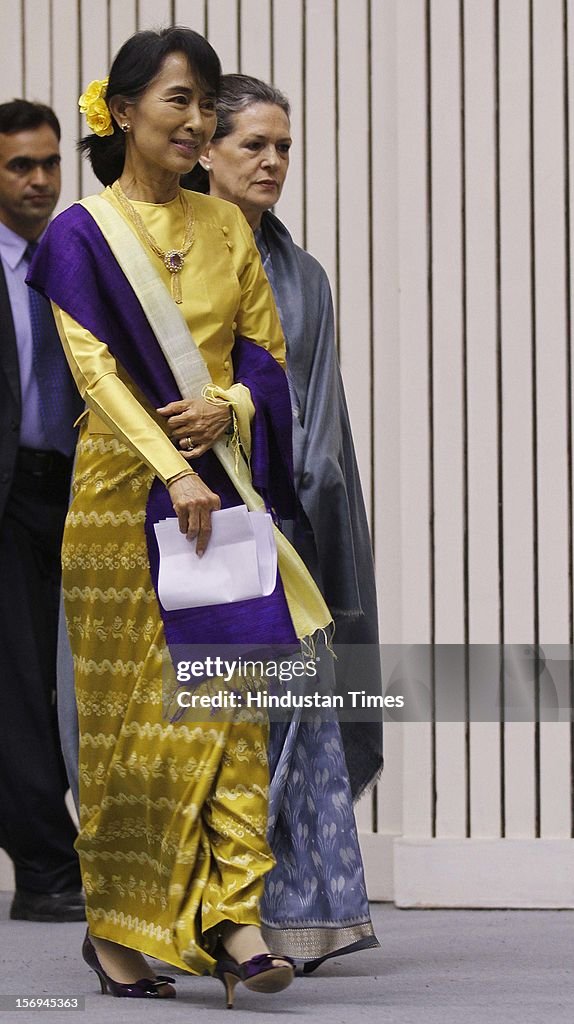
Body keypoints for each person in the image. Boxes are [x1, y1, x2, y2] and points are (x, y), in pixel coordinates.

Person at [27, 27, 334, 1005]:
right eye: (176, 100)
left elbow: (263, 361)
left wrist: (227, 412)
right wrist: (174, 466)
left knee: (231, 709)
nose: (197, 119)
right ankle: (119, 930)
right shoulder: (80, 232)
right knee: (135, 728)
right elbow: (95, 373)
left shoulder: (227, 227)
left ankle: (235, 920)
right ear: (122, 113)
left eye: (204, 101)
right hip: (125, 507)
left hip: (223, 496)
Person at [182, 74, 383, 969]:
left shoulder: (303, 273)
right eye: (254, 144)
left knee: (294, 727)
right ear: (206, 151)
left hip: (291, 532)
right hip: (204, 527)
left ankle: (283, 923)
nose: (273, 161)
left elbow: (324, 420)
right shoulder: (174, 255)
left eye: (285, 147)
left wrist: (323, 531)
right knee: (215, 732)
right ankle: (189, 921)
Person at [0, 99, 85, 923]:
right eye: (20, 165)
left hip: (77, 489)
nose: (38, 179)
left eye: (49, 163)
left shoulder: (75, 255)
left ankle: (65, 860)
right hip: (7, 494)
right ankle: (48, 871)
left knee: (71, 682)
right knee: (19, 684)